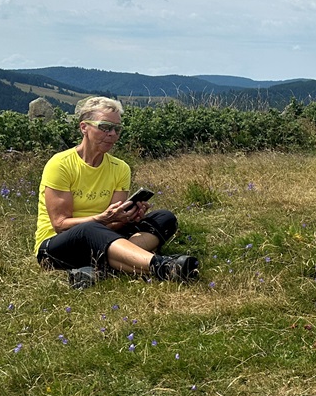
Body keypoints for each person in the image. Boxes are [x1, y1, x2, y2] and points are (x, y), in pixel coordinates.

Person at [35, 96, 199, 287]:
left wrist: (128, 217)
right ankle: (162, 266)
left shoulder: (120, 168)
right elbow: (60, 225)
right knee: (89, 229)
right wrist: (101, 219)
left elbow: (114, 222)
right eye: (105, 127)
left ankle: (101, 268)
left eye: (116, 129)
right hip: (57, 246)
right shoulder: (61, 164)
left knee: (164, 218)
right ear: (84, 127)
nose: (112, 134)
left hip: (104, 234)